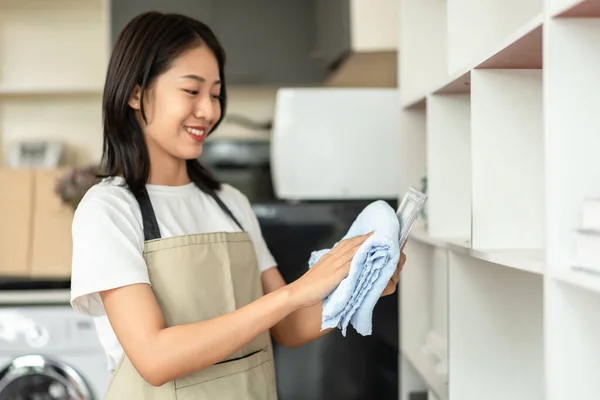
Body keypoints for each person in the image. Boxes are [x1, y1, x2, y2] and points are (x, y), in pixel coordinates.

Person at [69, 11, 406, 400]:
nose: (210, 111)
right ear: (135, 93)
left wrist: (364, 284)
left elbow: (290, 327)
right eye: (192, 91)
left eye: (215, 93)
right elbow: (154, 358)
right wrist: (296, 292)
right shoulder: (108, 209)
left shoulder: (229, 202)